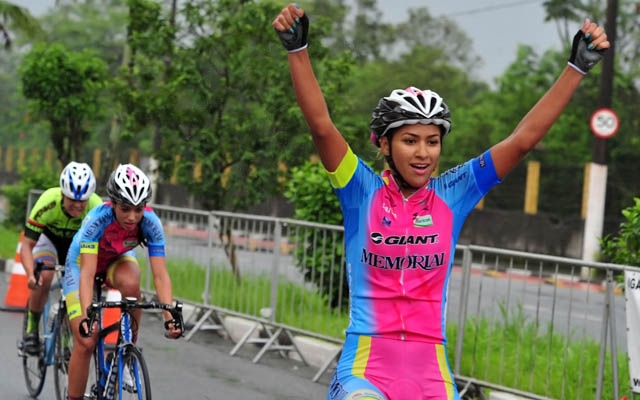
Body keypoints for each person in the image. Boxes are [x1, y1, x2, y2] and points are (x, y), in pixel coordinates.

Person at [272, 4, 609, 400]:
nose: (424, 153)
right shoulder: (359, 190)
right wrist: (298, 50)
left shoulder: (454, 192)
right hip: (366, 369)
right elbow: (321, 126)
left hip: (432, 374)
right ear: (382, 143)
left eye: (432, 142)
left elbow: (521, 141)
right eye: (410, 140)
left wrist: (577, 69)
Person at [63, 163, 182, 400]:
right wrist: (88, 316)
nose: (132, 217)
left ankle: (127, 352)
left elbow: (160, 275)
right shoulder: (97, 220)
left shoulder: (150, 223)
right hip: (81, 266)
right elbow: (87, 274)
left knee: (132, 282)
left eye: (138, 209)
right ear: (113, 203)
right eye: (126, 208)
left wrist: (169, 317)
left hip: (115, 259)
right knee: (86, 340)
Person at [21, 161, 101, 355]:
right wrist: (31, 273)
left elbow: (101, 249)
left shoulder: (96, 206)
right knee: (44, 277)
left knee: (74, 287)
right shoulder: (47, 201)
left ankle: (66, 341)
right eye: (72, 199)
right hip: (48, 239)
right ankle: (32, 330)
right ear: (62, 194)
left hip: (77, 245)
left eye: (82, 201)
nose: (77, 205)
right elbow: (27, 245)